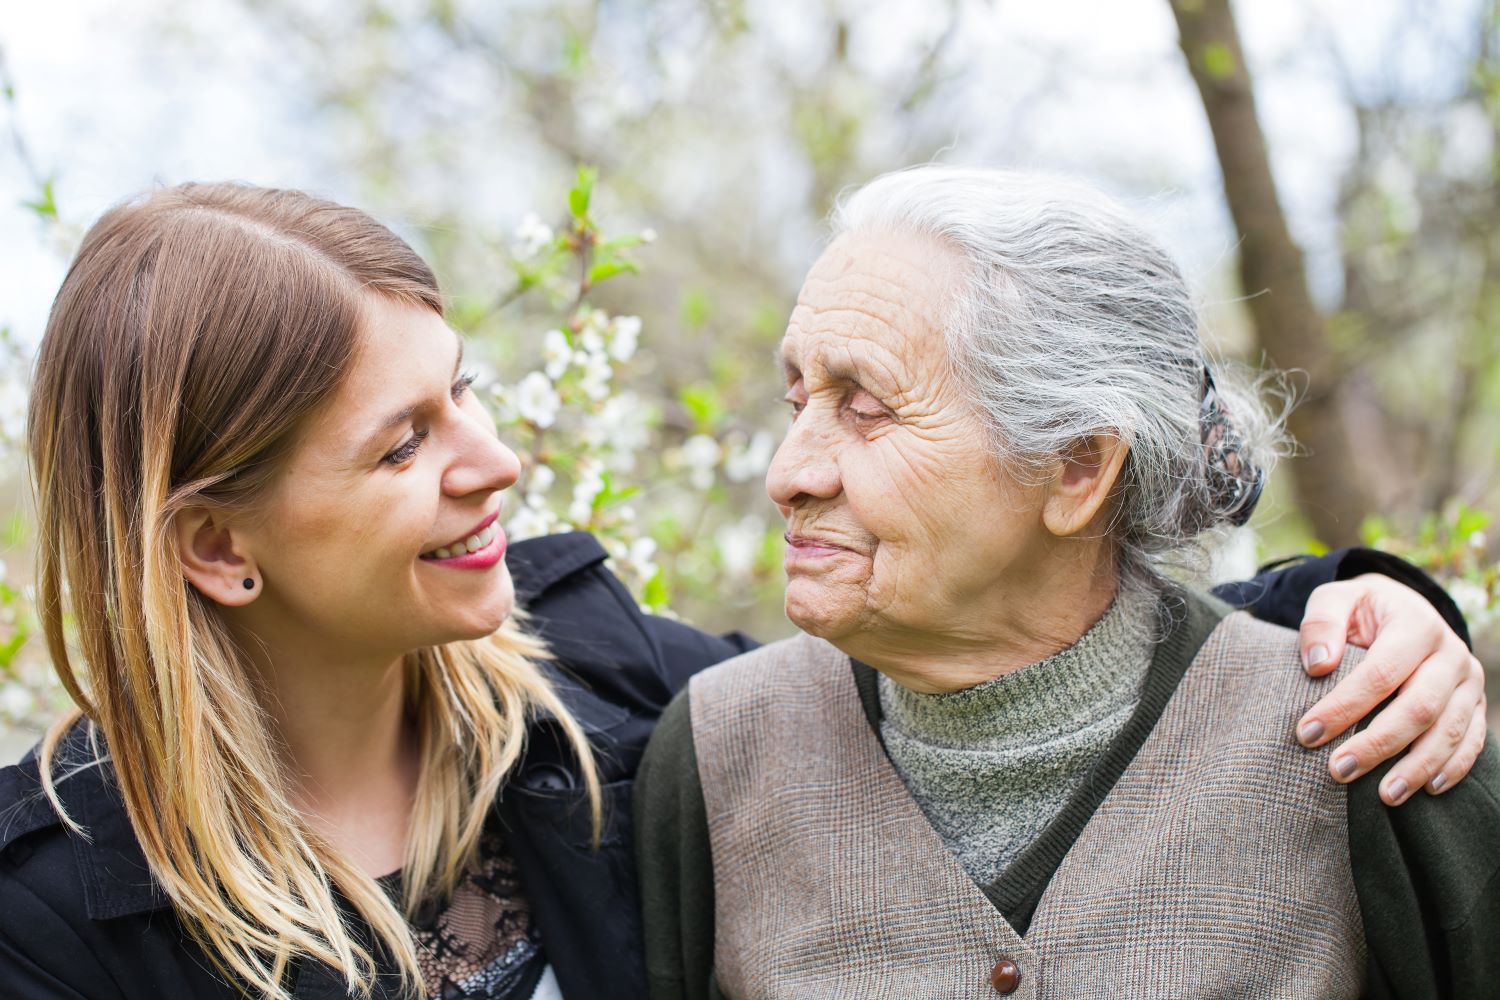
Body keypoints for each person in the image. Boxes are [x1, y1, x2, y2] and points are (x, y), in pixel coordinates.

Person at [0, 181, 1483, 1000]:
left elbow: (1045, 649)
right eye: (404, 445)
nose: (498, 462)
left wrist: (1367, 607)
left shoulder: (597, 688)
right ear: (215, 548)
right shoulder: (59, 920)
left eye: (465, 396)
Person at [634, 167, 1500, 1000]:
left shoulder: (1374, 735)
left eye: (866, 409)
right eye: (798, 404)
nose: (790, 472)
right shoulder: (715, 755)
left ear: (1078, 468)